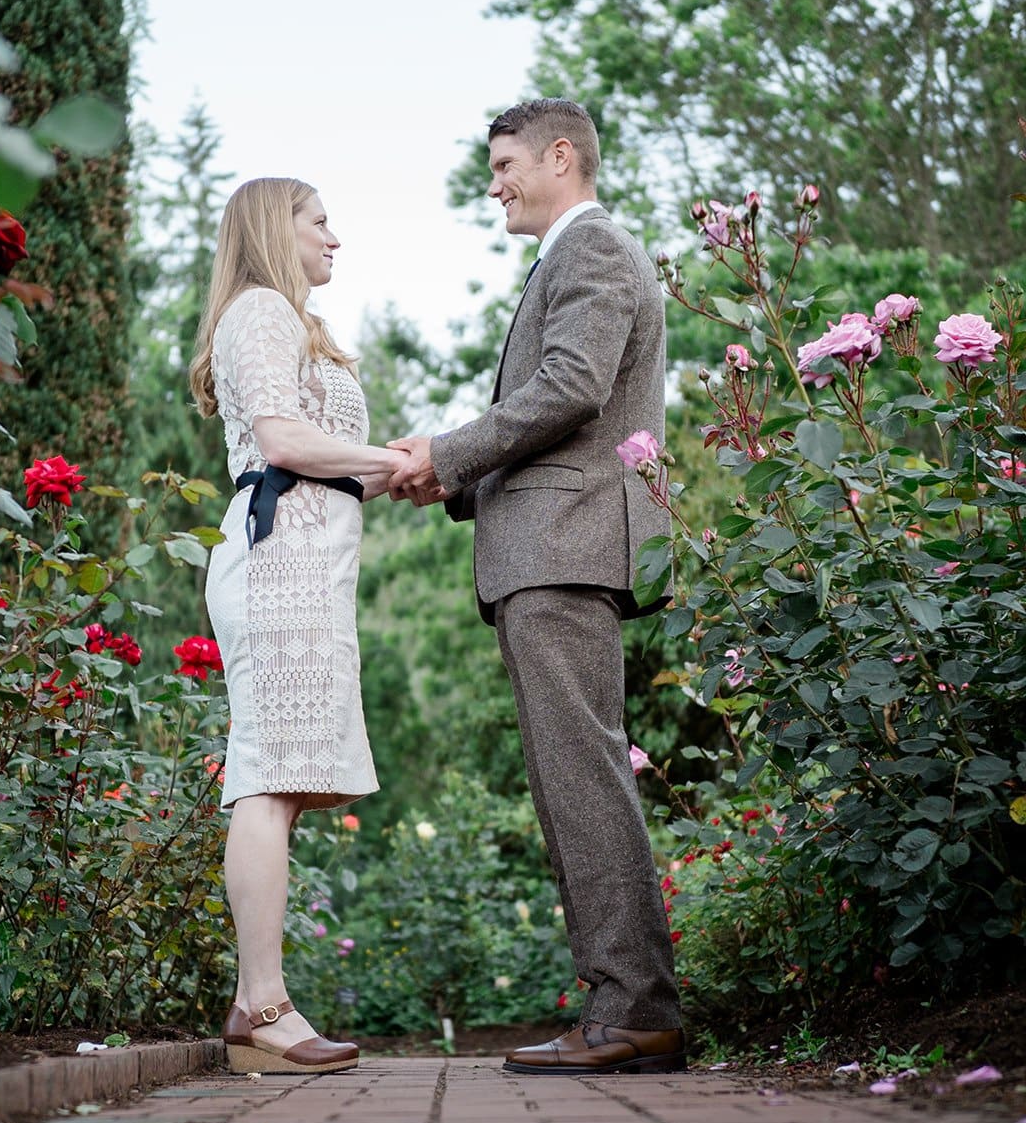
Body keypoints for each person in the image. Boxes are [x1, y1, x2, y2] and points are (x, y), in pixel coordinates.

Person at [388, 99, 686, 1074]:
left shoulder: (590, 249)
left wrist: (447, 452)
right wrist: (455, 471)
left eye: (507, 163)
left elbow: (569, 387)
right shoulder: (570, 256)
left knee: (583, 776)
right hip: (546, 550)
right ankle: (622, 1003)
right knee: (573, 780)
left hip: (564, 549)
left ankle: (634, 1007)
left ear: (563, 156)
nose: (495, 183)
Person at [188, 177, 408, 1074]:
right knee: (269, 779)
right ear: (275, 229)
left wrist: (383, 470)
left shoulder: (286, 319)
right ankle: (263, 1008)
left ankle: (258, 1002)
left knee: (280, 781)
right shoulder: (263, 312)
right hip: (279, 563)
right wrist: (390, 460)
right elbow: (281, 439)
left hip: (306, 565)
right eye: (319, 220)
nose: (335, 236)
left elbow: (316, 452)